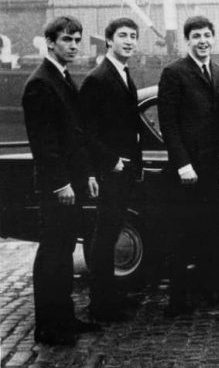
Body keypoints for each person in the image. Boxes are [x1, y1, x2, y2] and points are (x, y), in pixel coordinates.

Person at [22, 16, 101, 346]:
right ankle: (48, 326)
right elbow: (45, 144)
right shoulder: (41, 83)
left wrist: (88, 176)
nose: (73, 45)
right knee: (53, 253)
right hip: (58, 187)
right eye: (67, 39)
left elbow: (75, 137)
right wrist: (60, 184)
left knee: (65, 250)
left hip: (71, 182)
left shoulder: (62, 78)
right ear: (50, 42)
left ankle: (63, 318)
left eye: (77, 40)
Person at [157, 15, 219, 317]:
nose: (202, 41)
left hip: (212, 168)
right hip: (187, 171)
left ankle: (207, 295)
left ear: (213, 38)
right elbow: (169, 123)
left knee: (210, 232)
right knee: (182, 234)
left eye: (207, 35)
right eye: (196, 36)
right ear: (187, 41)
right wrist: (182, 164)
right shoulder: (174, 73)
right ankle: (177, 303)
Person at [79, 17, 142, 322]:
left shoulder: (122, 74)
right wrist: (110, 162)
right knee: (103, 236)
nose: (129, 41)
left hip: (123, 170)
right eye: (123, 36)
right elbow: (86, 131)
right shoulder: (98, 78)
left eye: (133, 36)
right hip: (110, 171)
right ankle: (100, 304)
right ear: (109, 40)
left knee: (113, 231)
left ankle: (109, 296)